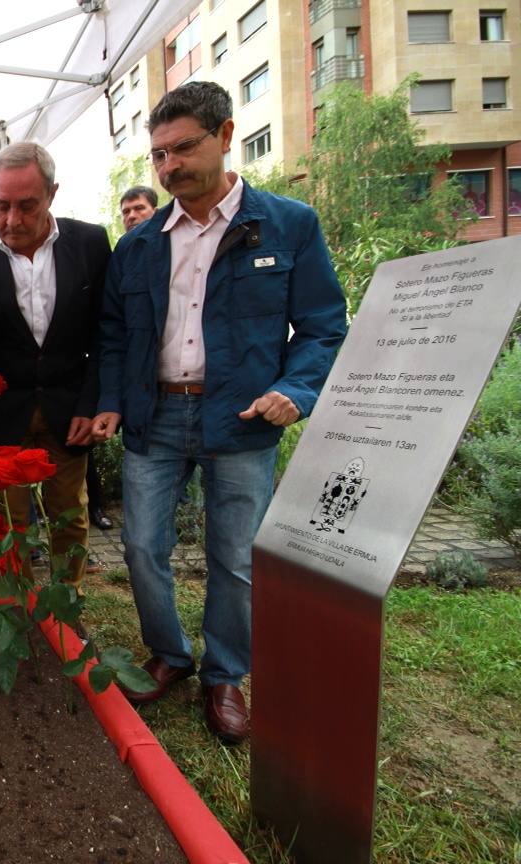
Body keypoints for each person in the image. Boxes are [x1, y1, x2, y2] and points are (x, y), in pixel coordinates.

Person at [90, 81, 347, 744]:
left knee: (234, 556)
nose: (169, 166)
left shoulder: (288, 225)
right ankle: (170, 654)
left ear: (226, 136)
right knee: (143, 546)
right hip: (156, 417)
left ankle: (226, 674)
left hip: (243, 419)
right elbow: (116, 335)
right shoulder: (140, 246)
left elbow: (323, 326)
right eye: (158, 156)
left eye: (183, 148)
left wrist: (297, 389)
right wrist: (114, 402)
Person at [0, 142, 110, 586]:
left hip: (69, 409)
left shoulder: (91, 244)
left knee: (70, 518)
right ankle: (16, 607)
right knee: (8, 527)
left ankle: (67, 608)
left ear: (52, 194)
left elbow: (105, 333)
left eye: (26, 205)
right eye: (1, 206)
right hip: (5, 417)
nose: (12, 220)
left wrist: (92, 403)